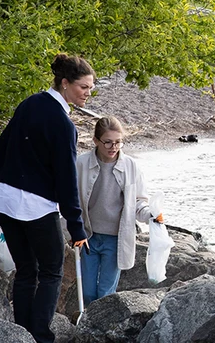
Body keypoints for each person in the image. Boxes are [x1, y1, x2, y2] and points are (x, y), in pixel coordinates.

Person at [0, 54, 93, 343]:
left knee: (26, 271)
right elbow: (66, 179)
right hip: (35, 206)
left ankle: (21, 334)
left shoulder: (29, 103)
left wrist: (10, 178)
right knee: (51, 271)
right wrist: (77, 228)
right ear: (65, 83)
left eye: (90, 88)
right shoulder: (63, 124)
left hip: (4, 200)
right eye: (84, 87)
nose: (88, 93)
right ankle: (41, 336)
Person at [75, 116, 164, 306]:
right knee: (87, 292)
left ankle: (99, 324)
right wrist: (70, 230)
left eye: (118, 142)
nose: (113, 147)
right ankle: (88, 321)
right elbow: (70, 200)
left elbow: (138, 202)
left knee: (105, 293)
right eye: (107, 142)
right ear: (95, 140)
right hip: (88, 237)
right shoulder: (81, 163)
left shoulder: (131, 166)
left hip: (116, 239)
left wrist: (151, 215)